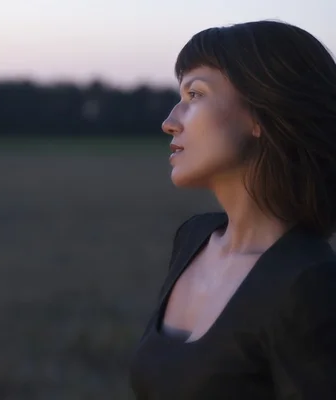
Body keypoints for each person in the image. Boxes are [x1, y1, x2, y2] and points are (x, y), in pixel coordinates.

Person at [129, 20, 336, 399]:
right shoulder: (193, 239)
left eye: (195, 94)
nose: (170, 121)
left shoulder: (309, 283)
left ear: (261, 114)